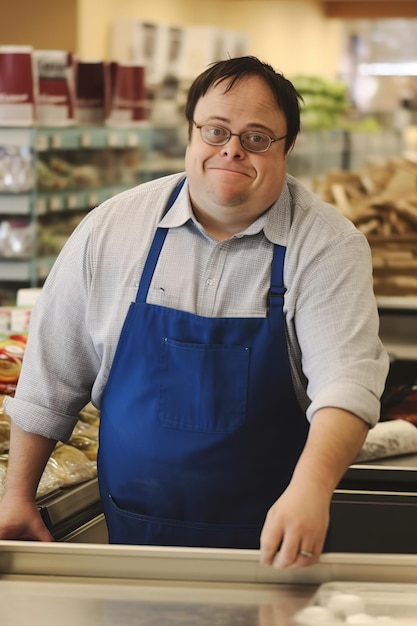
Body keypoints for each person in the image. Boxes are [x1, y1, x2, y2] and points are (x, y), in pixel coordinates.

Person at [0, 56, 389, 568]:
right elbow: (50, 378)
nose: (231, 149)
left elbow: (347, 382)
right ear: (190, 133)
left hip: (275, 543)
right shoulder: (113, 229)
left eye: (256, 137)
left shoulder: (326, 244)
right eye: (215, 130)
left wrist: (312, 489)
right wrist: (17, 496)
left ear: (287, 148)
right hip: (134, 539)